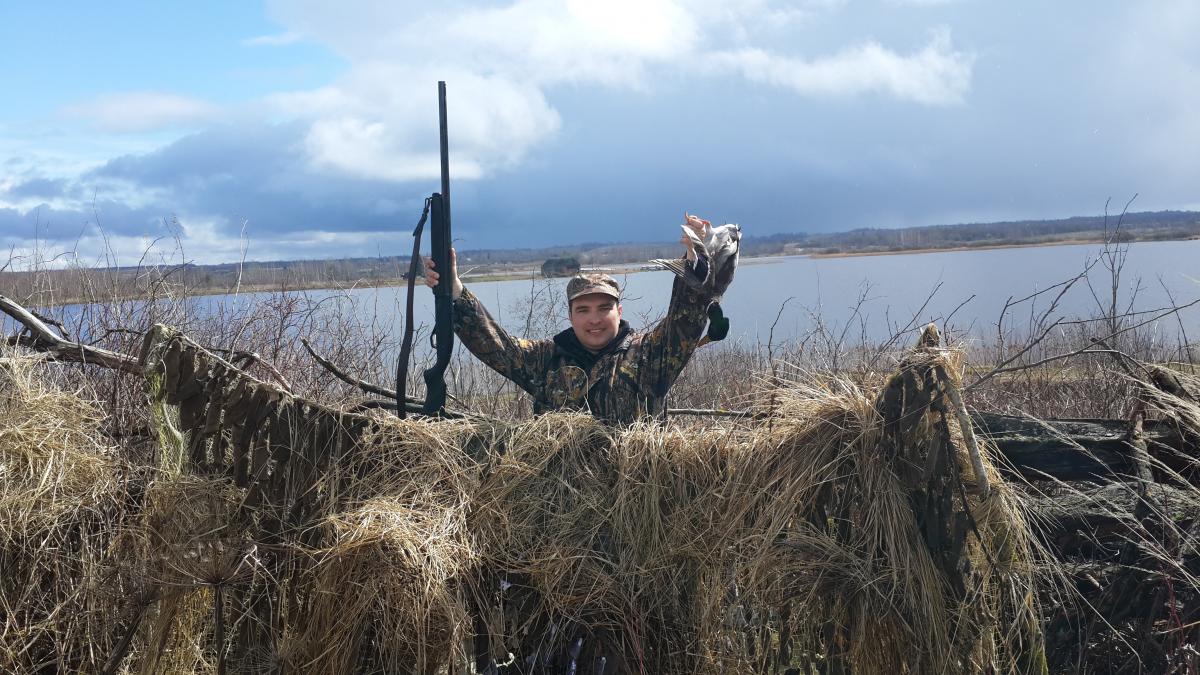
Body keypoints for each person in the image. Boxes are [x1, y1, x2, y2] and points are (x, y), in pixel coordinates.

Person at [424, 213, 727, 424]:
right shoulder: (545, 360)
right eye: (583, 310)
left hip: (635, 506)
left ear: (619, 312)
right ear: (570, 316)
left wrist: (696, 259)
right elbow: (493, 343)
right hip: (561, 508)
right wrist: (455, 291)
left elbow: (683, 323)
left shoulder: (649, 355)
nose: (594, 319)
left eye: (603, 308)